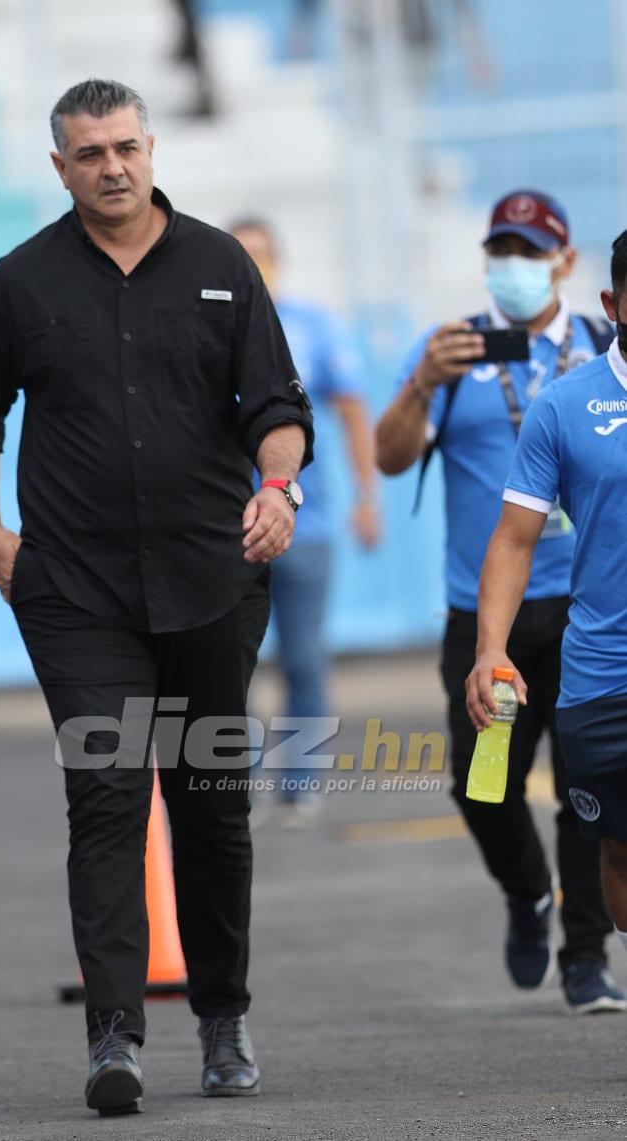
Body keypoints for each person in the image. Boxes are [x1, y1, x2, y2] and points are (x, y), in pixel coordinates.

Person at [0, 79, 313, 1116]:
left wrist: (278, 488)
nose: (112, 167)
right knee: (105, 797)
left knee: (211, 803)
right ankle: (115, 1034)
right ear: (59, 167)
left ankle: (224, 1015)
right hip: (76, 594)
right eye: (90, 153)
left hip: (212, 582)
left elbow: (278, 407)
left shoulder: (222, 266)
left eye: (125, 147)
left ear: (151, 149)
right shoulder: (20, 283)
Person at [375, 189, 622, 1011]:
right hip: (488, 616)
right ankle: (528, 890)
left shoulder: (603, 348)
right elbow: (389, 456)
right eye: (501, 250)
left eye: (530, 250)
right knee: (483, 785)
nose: (514, 264)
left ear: (566, 262)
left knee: (589, 792)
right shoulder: (452, 350)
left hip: (585, 613)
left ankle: (584, 957)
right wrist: (420, 383)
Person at [467, 229, 627, 1012]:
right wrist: (489, 649)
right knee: (616, 848)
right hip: (602, 671)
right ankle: (549, 907)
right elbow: (513, 539)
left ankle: (585, 959)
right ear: (613, 303)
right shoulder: (564, 406)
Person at [230, 219, 380, 826]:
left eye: (262, 255)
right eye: (243, 256)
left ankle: (300, 783)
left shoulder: (315, 326)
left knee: (304, 659)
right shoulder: (207, 328)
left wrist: (367, 496)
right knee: (225, 663)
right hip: (227, 530)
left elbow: (353, 411)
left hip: (306, 526)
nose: (255, 267)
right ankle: (233, 783)